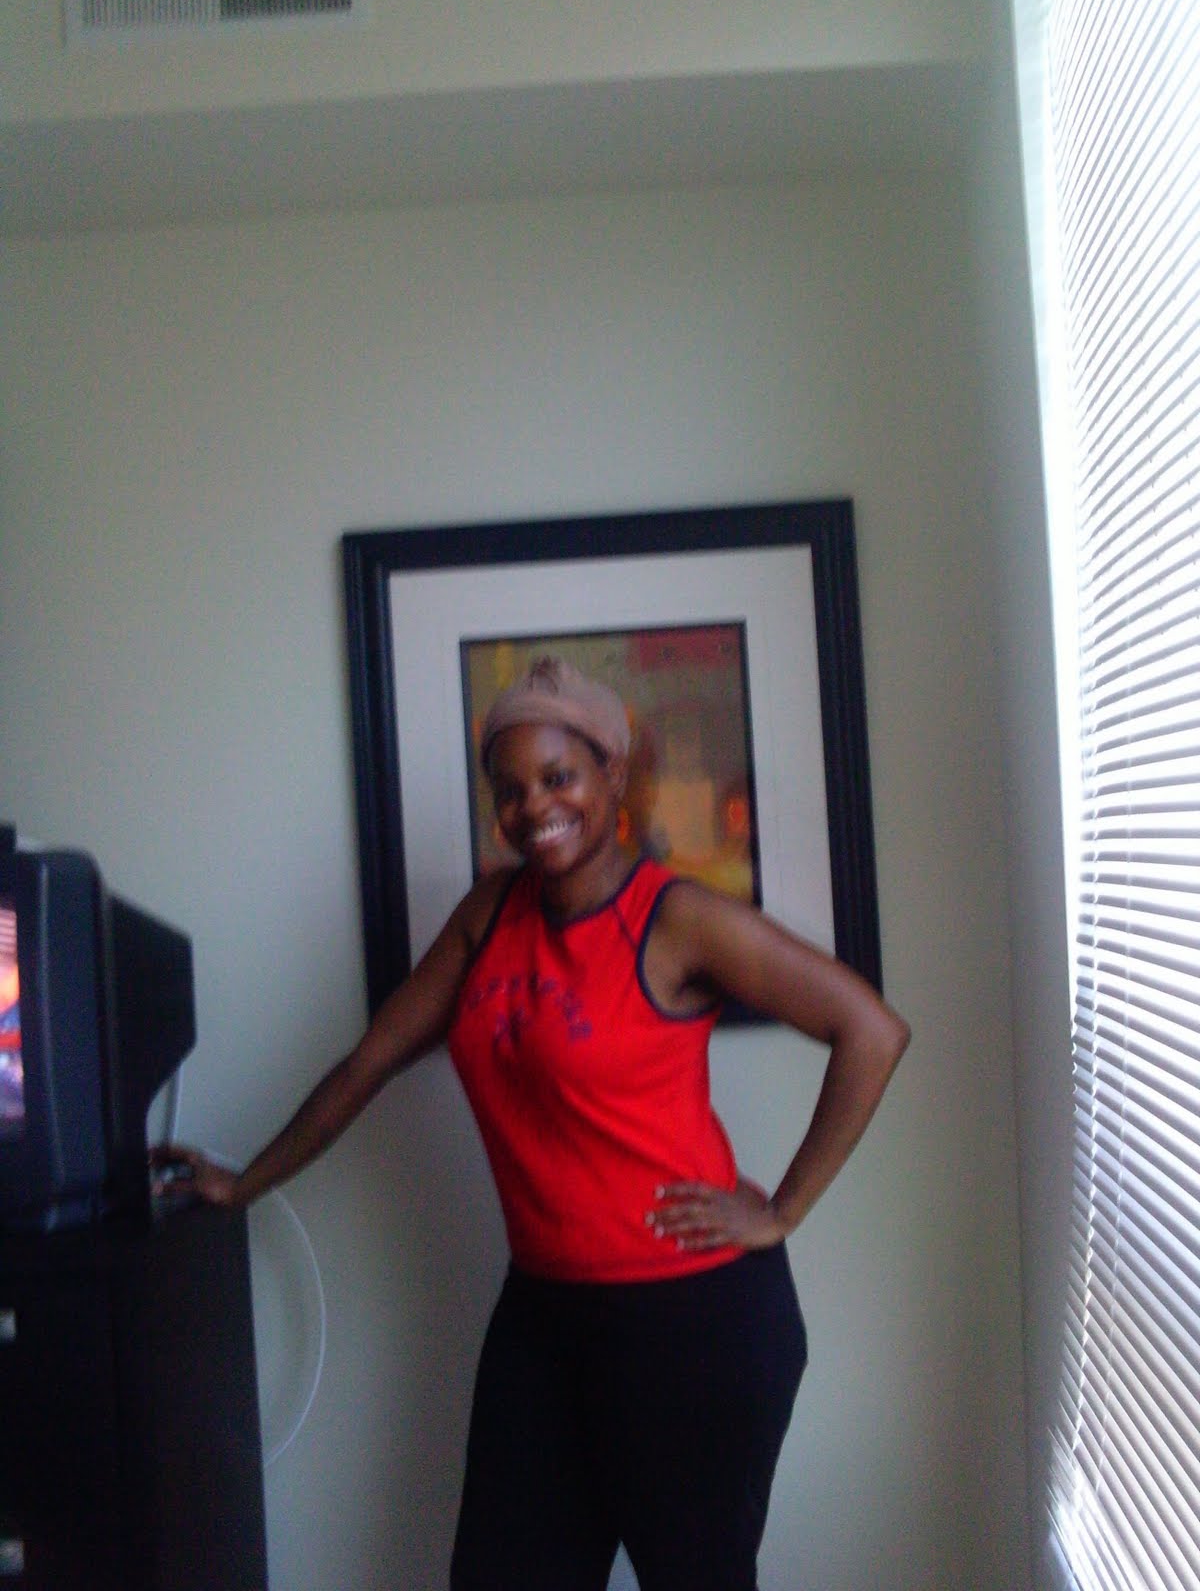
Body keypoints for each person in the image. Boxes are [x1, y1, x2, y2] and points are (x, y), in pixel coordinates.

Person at [156, 656, 909, 1591]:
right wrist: (243, 1184)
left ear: (611, 775)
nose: (534, 808)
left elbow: (871, 1031)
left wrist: (782, 1209)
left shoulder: (675, 918)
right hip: (545, 1318)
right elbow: (369, 1063)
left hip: (693, 1321)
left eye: (559, 777)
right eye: (510, 791)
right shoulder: (490, 916)